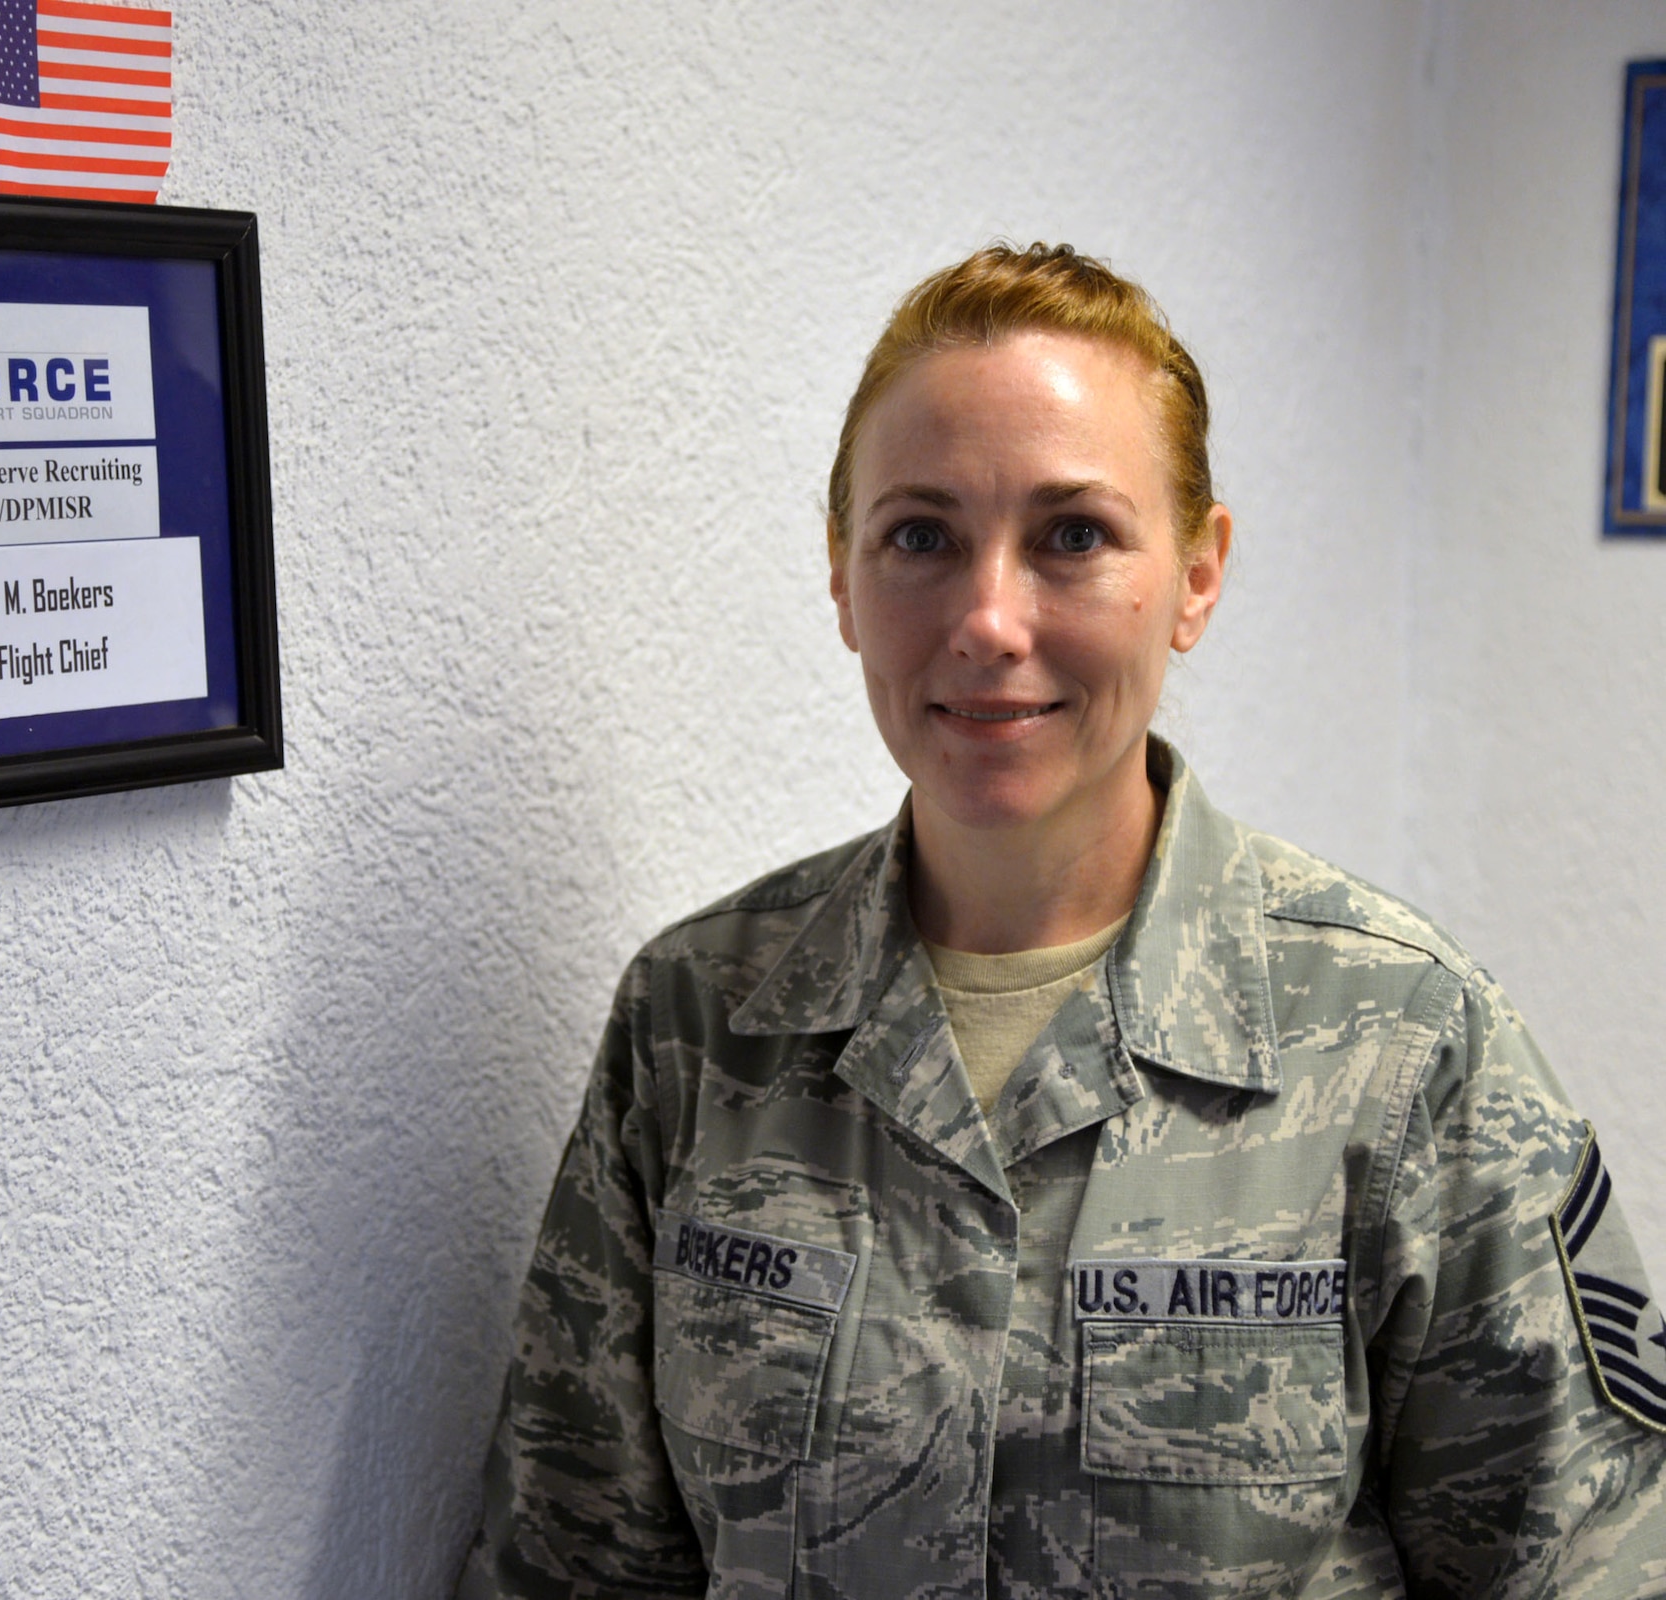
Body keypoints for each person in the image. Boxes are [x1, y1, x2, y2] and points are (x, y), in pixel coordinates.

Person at [455, 244, 1666, 1598]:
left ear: (1197, 576)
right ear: (843, 579)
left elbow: (1587, 1562)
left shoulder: (1399, 1039)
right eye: (920, 536)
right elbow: (569, 1563)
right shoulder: (697, 1022)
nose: (987, 618)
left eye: (1073, 536)